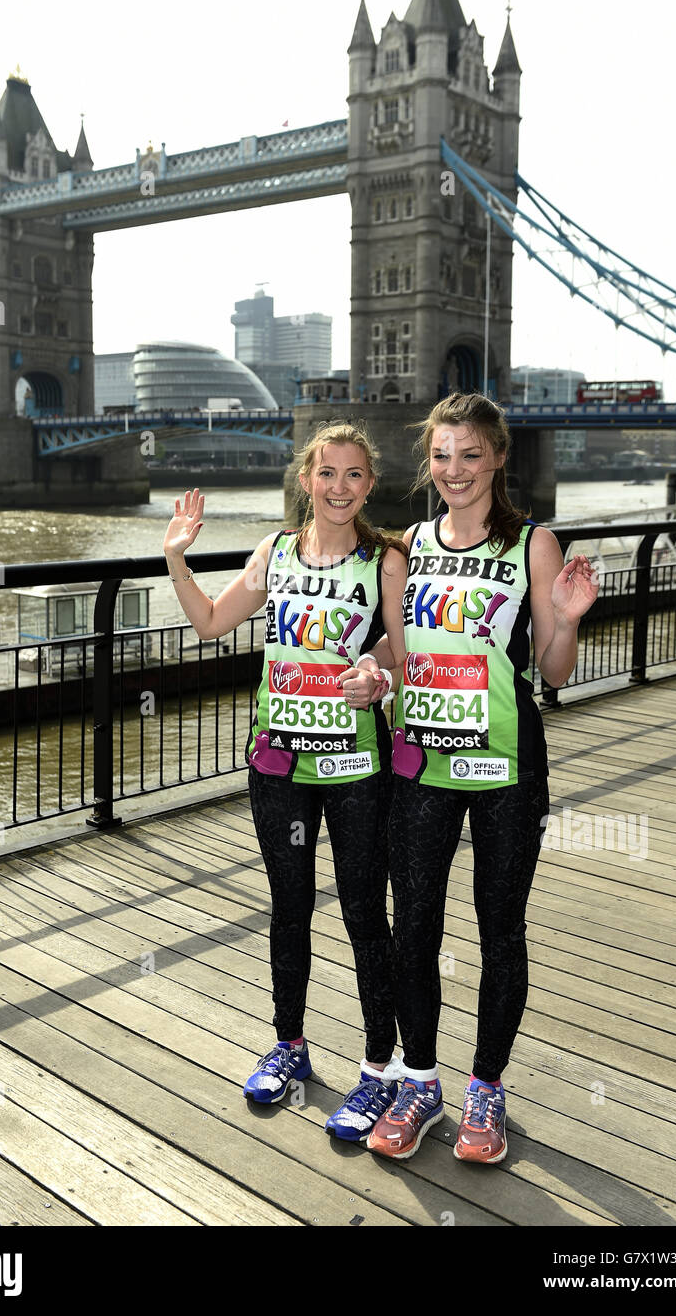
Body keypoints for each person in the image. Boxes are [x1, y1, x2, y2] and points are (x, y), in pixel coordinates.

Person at [344, 392, 598, 1163]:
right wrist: (370, 673)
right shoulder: (406, 546)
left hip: (504, 765)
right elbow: (397, 649)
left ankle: (484, 1090)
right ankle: (418, 1082)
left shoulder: (532, 547)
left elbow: (552, 671)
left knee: (499, 930)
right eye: (441, 454)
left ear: (496, 459)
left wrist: (568, 617)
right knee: (411, 925)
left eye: (470, 455)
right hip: (419, 762)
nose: (453, 470)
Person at [161, 422, 408, 1141]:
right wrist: (177, 559)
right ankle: (290, 1046)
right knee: (288, 908)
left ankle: (377, 1071)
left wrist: (379, 674)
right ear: (305, 481)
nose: (338, 487)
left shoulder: (385, 560)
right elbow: (208, 623)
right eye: (326, 473)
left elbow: (402, 645)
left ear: (368, 483)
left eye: (353, 475)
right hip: (278, 762)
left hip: (356, 762)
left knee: (364, 914)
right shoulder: (272, 553)